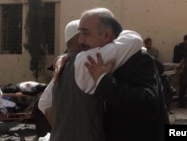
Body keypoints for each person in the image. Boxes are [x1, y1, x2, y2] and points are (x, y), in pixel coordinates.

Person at [40, 8, 144, 141]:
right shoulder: (90, 60)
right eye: (83, 33)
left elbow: (43, 103)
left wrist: (65, 126)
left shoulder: (64, 65)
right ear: (79, 39)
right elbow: (134, 40)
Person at [81, 11, 169, 141]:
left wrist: (104, 80)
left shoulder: (140, 60)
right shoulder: (98, 60)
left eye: (85, 33)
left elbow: (148, 105)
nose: (80, 40)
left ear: (106, 35)